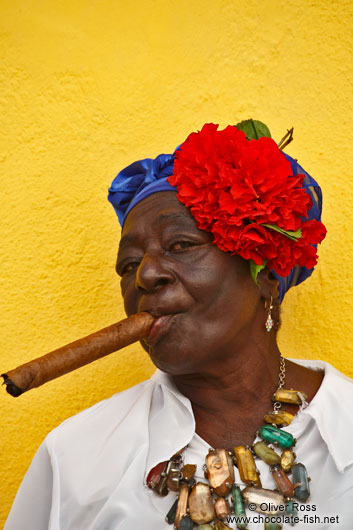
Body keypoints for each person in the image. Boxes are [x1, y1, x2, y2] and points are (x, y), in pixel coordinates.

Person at [4, 121, 353, 530]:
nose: (146, 275)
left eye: (181, 245)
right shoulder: (75, 457)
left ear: (266, 278)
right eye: (129, 264)